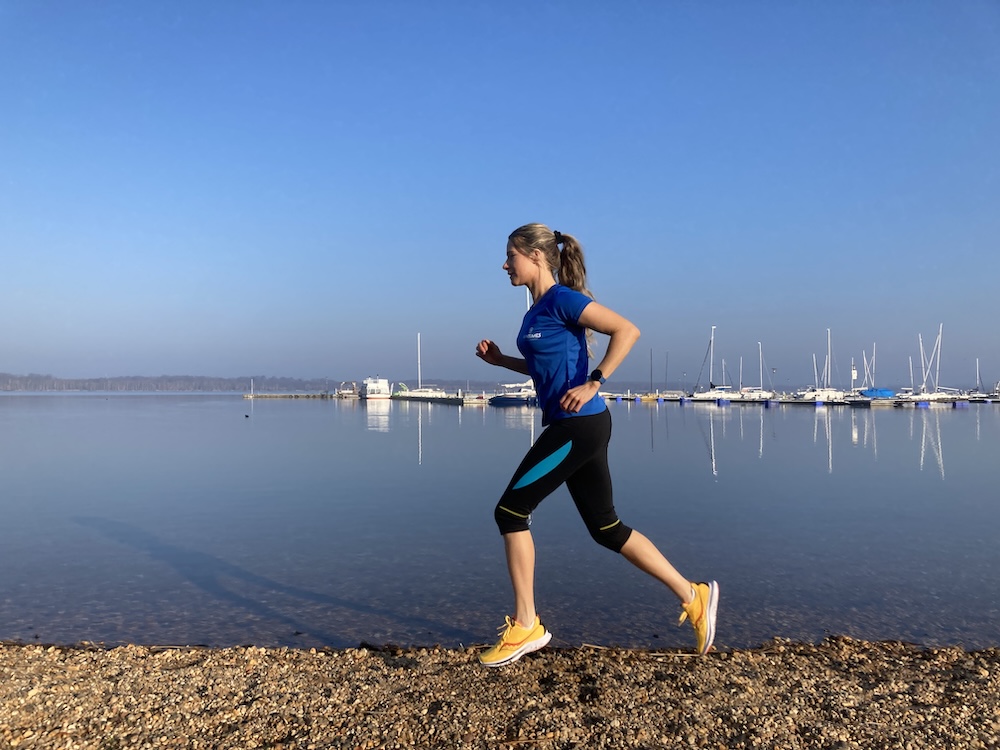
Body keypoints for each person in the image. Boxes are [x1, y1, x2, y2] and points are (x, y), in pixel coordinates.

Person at [475, 223, 719, 667]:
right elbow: (543, 371)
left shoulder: (564, 300)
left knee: (510, 511)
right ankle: (693, 595)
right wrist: (501, 361)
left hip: (577, 426)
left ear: (536, 257)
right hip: (578, 425)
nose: (504, 264)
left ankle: (526, 623)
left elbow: (627, 330)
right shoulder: (533, 313)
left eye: (511, 255)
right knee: (606, 528)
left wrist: (594, 381)